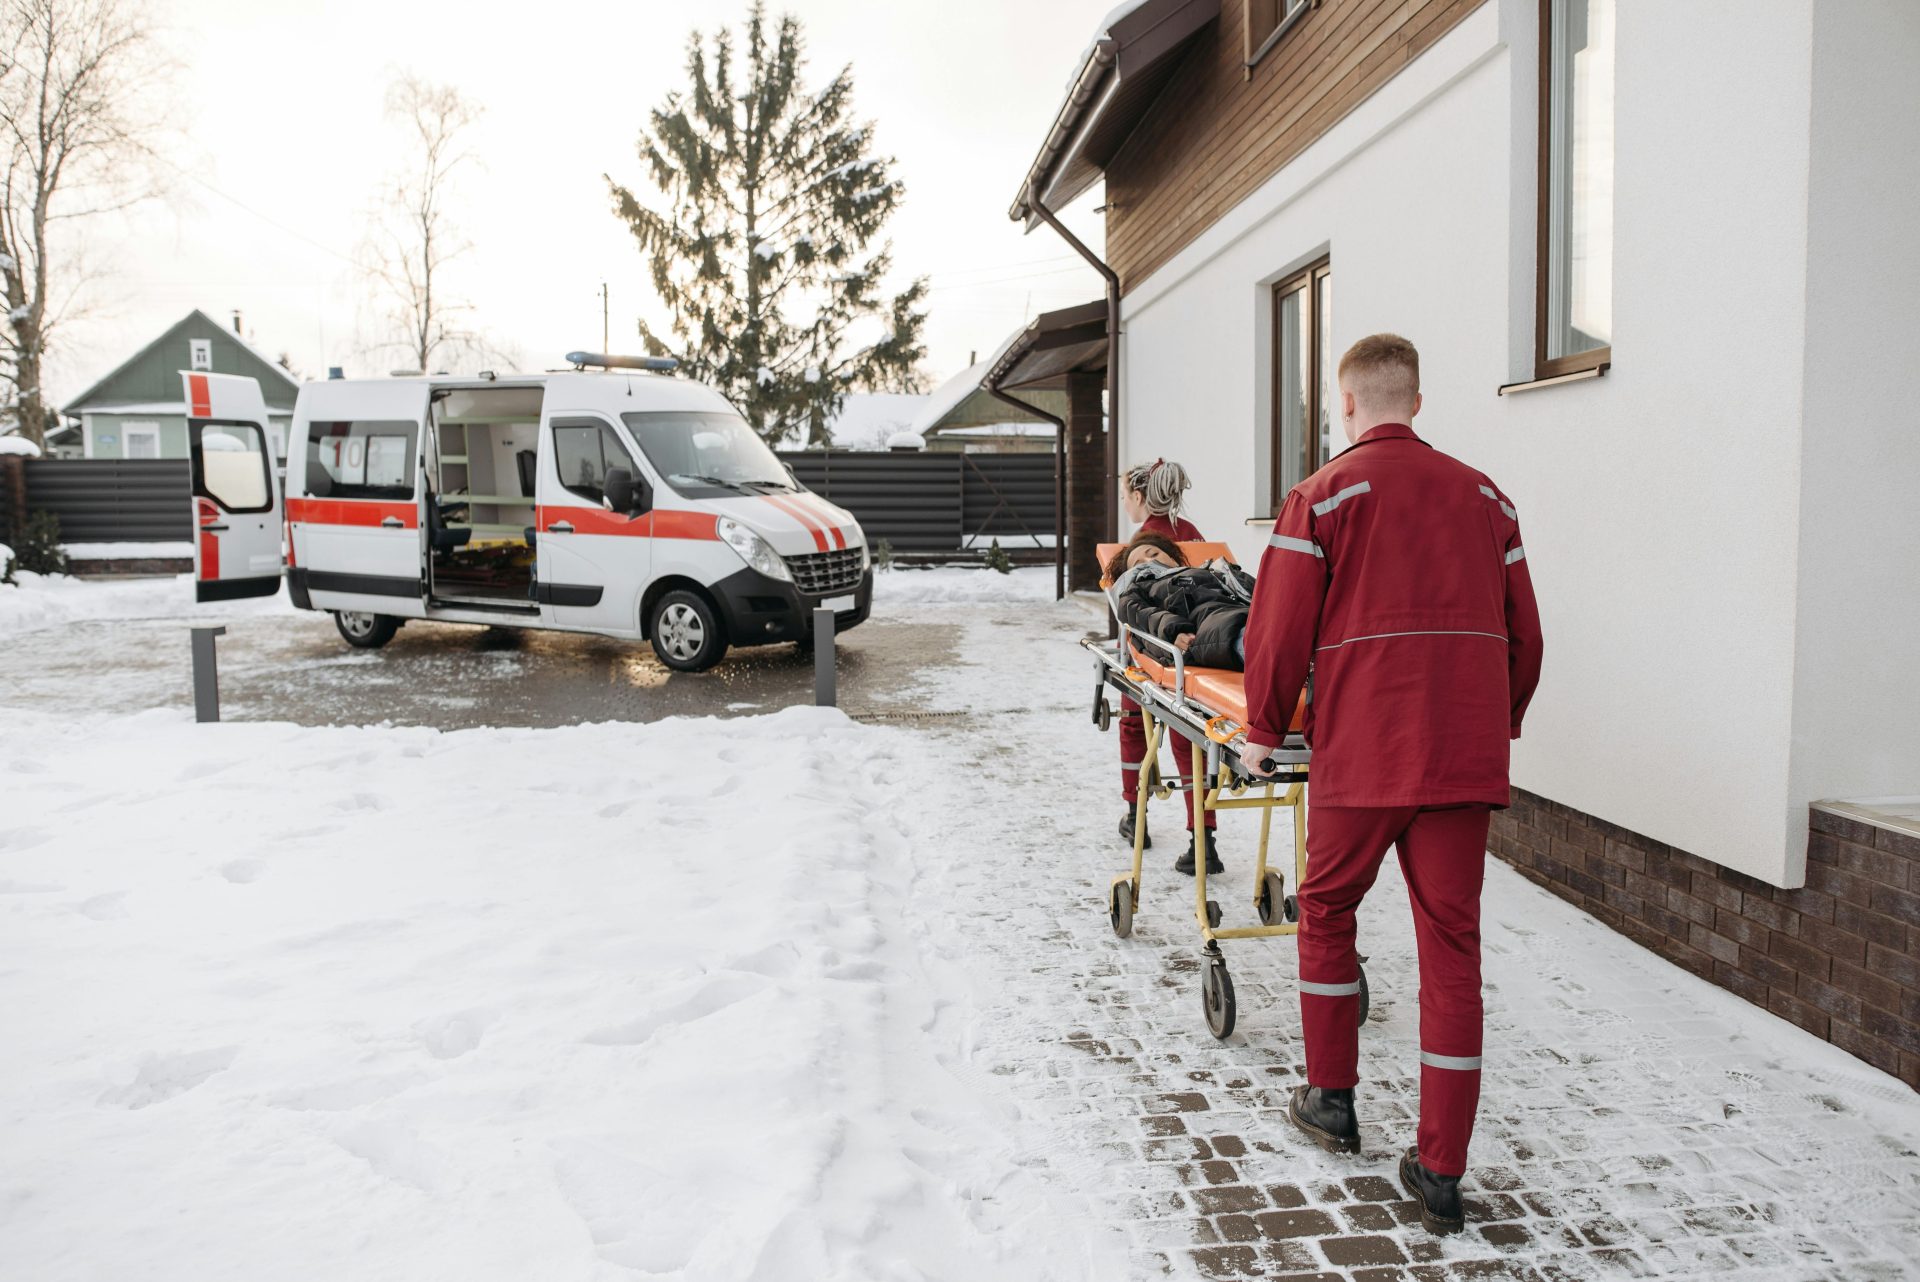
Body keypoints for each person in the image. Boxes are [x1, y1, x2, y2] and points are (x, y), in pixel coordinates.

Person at [1236, 334, 1543, 1235]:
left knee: (1327, 911)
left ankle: (1331, 1100)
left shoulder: (1323, 495)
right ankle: (1440, 1171)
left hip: (1363, 755)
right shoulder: (1489, 499)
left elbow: (1277, 629)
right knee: (1453, 950)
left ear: (1348, 406)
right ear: (1415, 398)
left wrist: (1262, 728)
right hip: (1460, 757)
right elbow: (1527, 636)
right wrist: (1499, 718)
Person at [1113, 460, 1218, 874]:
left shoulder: (1141, 543)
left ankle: (1134, 815)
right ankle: (1204, 840)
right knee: (1190, 740)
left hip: (1162, 650)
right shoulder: (1194, 535)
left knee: (1132, 721)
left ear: (1140, 497)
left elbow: (1131, 609)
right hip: (1209, 641)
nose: (1125, 505)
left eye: (1124, 498)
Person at [1106, 533, 1256, 671]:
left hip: (1254, 616)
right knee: (1266, 643)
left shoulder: (1214, 571)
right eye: (1139, 564)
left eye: (1154, 554)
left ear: (1172, 559)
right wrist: (1174, 634)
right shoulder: (1138, 590)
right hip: (1220, 629)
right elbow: (1145, 619)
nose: (1150, 560)